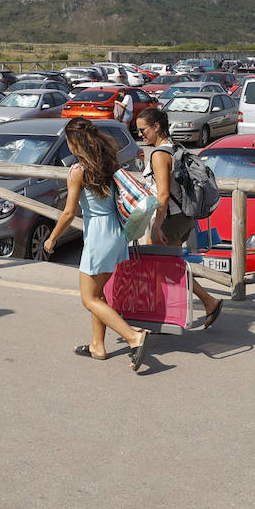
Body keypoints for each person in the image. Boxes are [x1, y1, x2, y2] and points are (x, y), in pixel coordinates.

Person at [42, 117, 148, 371]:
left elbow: (69, 213)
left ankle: (134, 336)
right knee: (98, 294)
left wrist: (52, 238)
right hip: (116, 232)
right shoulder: (107, 163)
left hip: (98, 235)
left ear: (74, 143)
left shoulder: (78, 171)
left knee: (88, 299)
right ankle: (97, 346)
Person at [135, 107, 223, 328]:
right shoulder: (174, 148)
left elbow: (163, 193)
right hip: (184, 217)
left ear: (157, 126)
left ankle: (159, 316)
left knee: (156, 267)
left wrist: (157, 226)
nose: (140, 135)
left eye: (143, 130)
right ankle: (207, 302)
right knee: (169, 266)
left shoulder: (159, 154)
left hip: (170, 220)